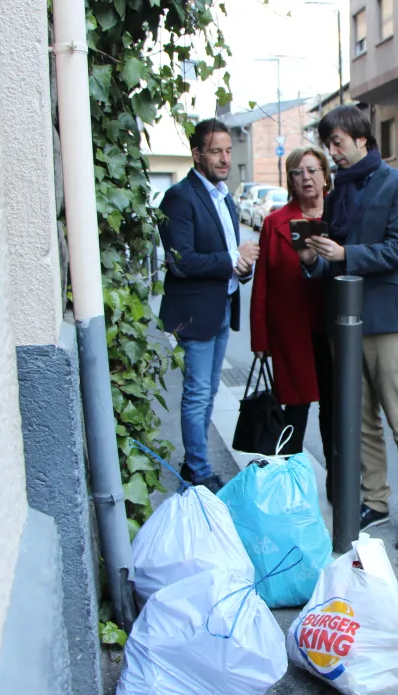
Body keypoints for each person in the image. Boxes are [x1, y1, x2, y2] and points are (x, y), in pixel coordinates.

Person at [298, 106, 398, 550]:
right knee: (360, 423)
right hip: (345, 321)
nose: (332, 152)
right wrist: (315, 259)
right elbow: (332, 262)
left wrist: (342, 255)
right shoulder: (339, 194)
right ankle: (375, 500)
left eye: (337, 142)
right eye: (328, 145)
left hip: (388, 320)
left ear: (362, 139)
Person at [157, 118, 259, 493]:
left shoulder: (224, 198)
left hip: (219, 309)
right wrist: (234, 257)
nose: (224, 158)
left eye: (228, 151)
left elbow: (231, 260)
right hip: (195, 314)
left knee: (209, 393)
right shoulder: (180, 197)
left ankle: (194, 462)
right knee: (198, 394)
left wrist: (243, 267)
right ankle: (198, 470)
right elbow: (180, 261)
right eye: (216, 151)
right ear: (196, 154)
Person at [250, 145, 335, 498]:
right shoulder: (275, 223)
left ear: (326, 176)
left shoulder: (341, 217)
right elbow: (262, 285)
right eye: (298, 172)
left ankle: (337, 479)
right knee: (295, 407)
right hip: (292, 330)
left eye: (313, 170)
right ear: (290, 180)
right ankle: (288, 483)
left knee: (333, 408)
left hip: (332, 328)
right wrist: (260, 340)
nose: (306, 178)